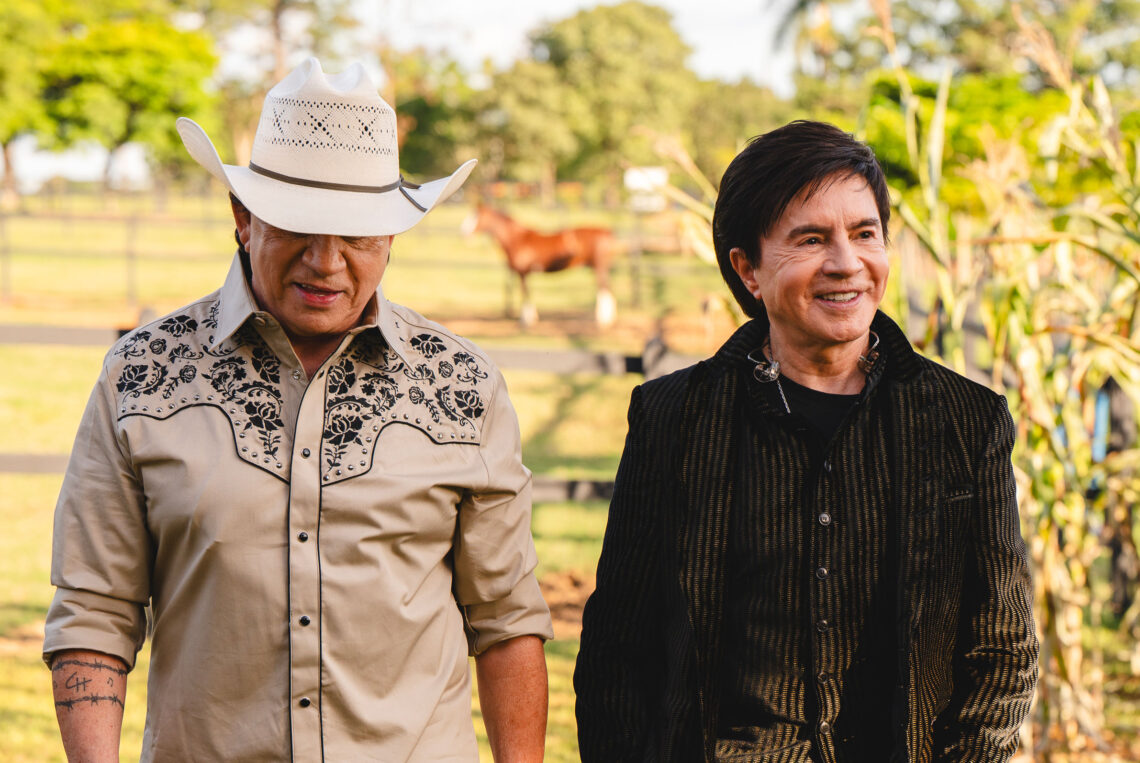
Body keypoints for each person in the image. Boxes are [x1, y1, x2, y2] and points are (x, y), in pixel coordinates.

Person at [44, 58, 552, 762]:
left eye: (357, 235)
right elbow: (94, 611)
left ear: (392, 237)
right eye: (299, 228)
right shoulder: (142, 376)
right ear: (243, 218)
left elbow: (506, 620)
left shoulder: (462, 386)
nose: (327, 262)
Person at [574, 120, 1038, 762]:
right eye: (812, 239)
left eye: (865, 234)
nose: (846, 263)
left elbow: (1002, 650)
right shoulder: (674, 418)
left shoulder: (965, 421)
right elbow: (616, 651)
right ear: (748, 269)